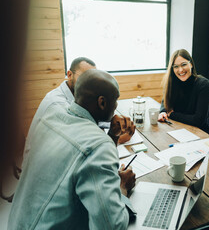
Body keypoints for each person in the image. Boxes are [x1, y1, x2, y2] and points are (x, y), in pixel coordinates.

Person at [8, 69, 136, 229]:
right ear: (102, 102)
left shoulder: (52, 115)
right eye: (115, 100)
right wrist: (122, 187)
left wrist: (113, 136)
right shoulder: (99, 146)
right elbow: (111, 226)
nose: (117, 106)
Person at [158, 49, 209, 135]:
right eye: (176, 66)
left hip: (200, 133)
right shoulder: (172, 82)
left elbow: (198, 120)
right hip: (177, 129)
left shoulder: (203, 84)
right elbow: (165, 101)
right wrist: (163, 111)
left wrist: (172, 115)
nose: (180, 70)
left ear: (191, 64)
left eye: (183, 64)